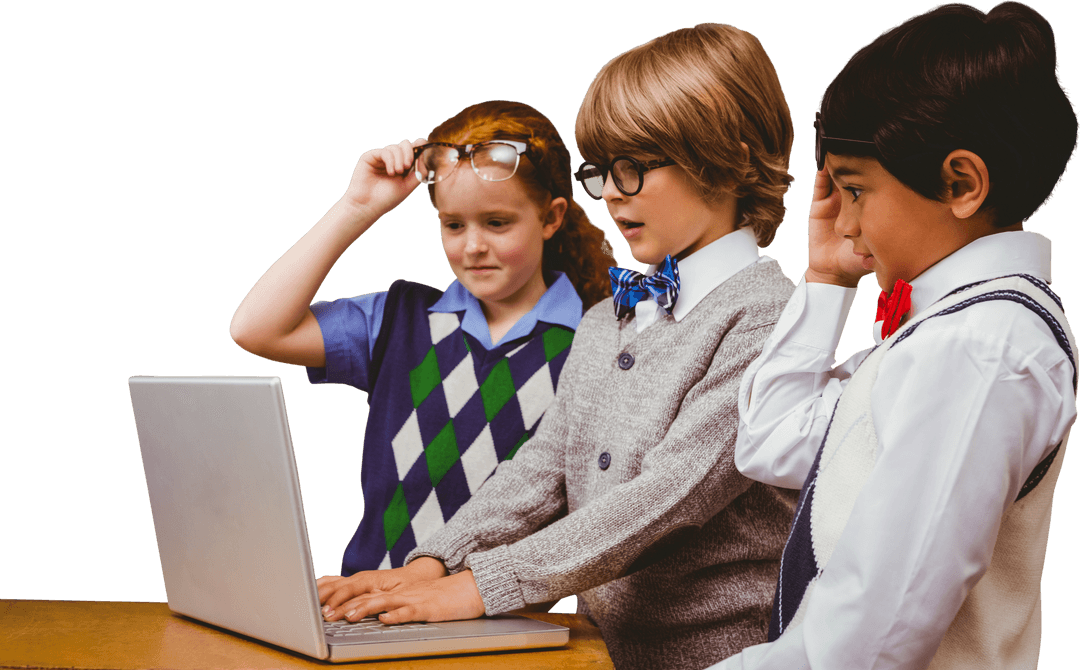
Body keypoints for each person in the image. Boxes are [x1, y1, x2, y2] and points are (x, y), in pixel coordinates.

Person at [317, 23, 799, 670]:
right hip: (595, 654)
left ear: (728, 160)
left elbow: (667, 499)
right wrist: (435, 561)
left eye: (633, 167)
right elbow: (541, 470)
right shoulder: (607, 319)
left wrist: (482, 585)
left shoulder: (768, 319)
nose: (612, 194)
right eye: (602, 171)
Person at [716, 3, 1079, 668]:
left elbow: (865, 639)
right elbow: (772, 442)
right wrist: (828, 276)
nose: (843, 222)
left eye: (856, 190)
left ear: (960, 183)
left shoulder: (977, 347)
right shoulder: (944, 331)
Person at [229, 100, 617, 575]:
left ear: (551, 218)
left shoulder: (600, 344)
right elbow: (255, 329)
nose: (473, 246)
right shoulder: (397, 320)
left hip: (499, 613)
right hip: (364, 600)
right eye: (453, 225)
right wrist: (357, 208)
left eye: (497, 223)